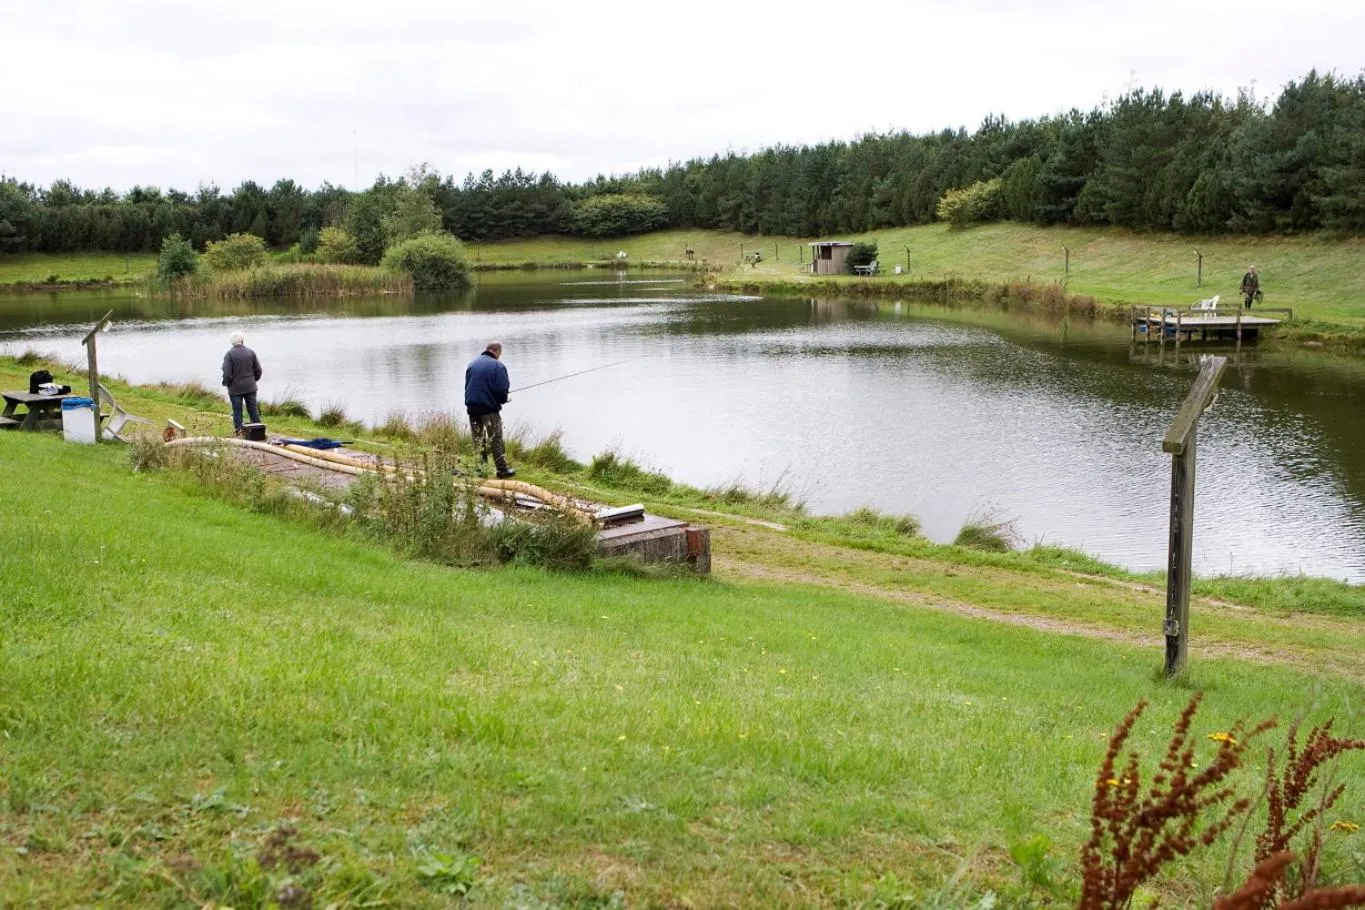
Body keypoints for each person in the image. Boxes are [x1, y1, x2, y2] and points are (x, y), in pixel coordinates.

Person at [464, 341, 515, 478]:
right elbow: (502, 389)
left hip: (472, 408)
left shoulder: (472, 364)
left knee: (478, 440)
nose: (500, 356)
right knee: (495, 438)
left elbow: (468, 386)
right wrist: (503, 399)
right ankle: (502, 470)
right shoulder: (498, 366)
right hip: (488, 409)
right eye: (500, 353)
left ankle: (481, 469)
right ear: (496, 351)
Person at [221, 331, 263, 433]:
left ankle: (239, 430)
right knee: (252, 409)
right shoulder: (251, 352)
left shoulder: (229, 354)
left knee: (237, 410)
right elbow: (258, 370)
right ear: (242, 341)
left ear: (231, 342)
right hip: (250, 387)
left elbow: (227, 373)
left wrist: (226, 383)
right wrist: (253, 380)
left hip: (235, 389)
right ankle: (258, 430)